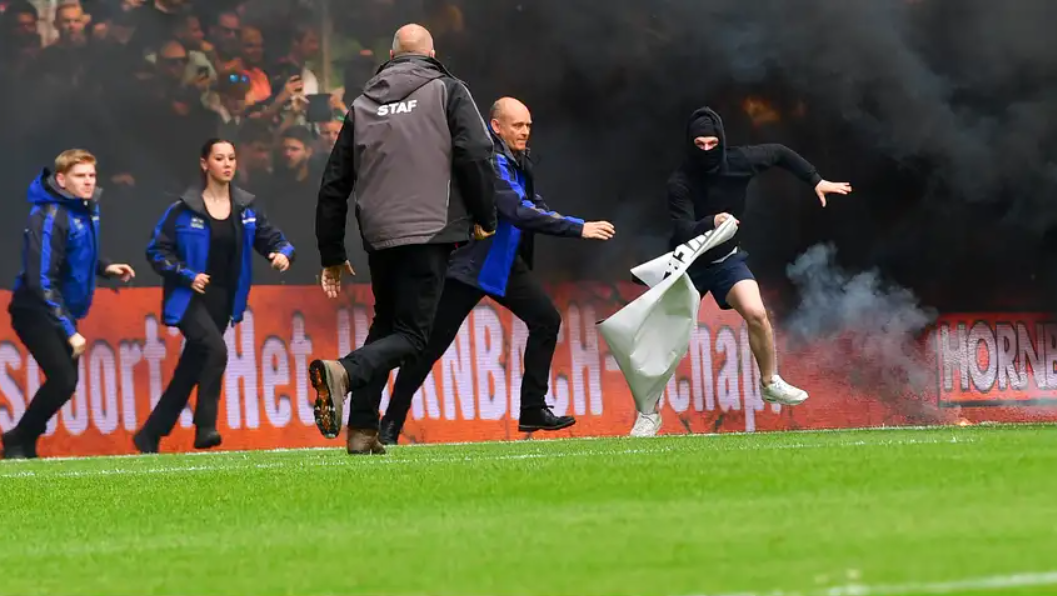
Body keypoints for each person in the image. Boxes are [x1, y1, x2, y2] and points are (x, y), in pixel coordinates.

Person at [378, 97, 616, 445]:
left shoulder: (518, 160)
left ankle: (532, 408)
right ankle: (390, 423)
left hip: (503, 264)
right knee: (429, 348)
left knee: (546, 320)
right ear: (496, 126)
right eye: (518, 125)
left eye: (528, 126)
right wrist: (578, 227)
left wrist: (567, 223)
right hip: (469, 266)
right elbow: (516, 211)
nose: (525, 132)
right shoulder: (491, 160)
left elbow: (534, 205)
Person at [312, 23, 497, 455]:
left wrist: (332, 251)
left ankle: (361, 430)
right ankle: (344, 372)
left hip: (378, 235)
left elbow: (334, 182)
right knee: (414, 337)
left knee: (386, 324)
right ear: (432, 54)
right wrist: (484, 216)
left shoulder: (361, 103)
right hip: (430, 229)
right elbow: (475, 153)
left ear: (392, 57)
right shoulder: (448, 89)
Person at [631, 106, 853, 437]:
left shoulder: (740, 161)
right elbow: (681, 230)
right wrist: (713, 221)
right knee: (663, 342)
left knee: (756, 312)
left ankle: (770, 382)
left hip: (726, 261)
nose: (706, 150)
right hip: (686, 266)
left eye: (711, 143)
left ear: (720, 140)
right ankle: (648, 413)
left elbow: (779, 153)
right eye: (699, 145)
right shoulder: (680, 181)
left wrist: (816, 180)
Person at [134, 139, 295, 453]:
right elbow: (156, 250)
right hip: (190, 298)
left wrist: (281, 254)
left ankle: (150, 434)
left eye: (231, 158)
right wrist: (187, 274)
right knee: (216, 350)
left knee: (191, 369)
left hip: (224, 299)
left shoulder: (245, 209)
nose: (227, 164)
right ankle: (205, 427)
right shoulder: (182, 210)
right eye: (219, 158)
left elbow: (274, 239)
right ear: (204, 163)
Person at [1, 150, 135, 459]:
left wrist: (105, 268)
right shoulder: (50, 216)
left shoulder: (85, 210)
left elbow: (76, 256)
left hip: (58, 309)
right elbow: (41, 279)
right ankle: (17, 439)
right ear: (61, 180)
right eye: (80, 176)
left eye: (91, 176)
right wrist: (68, 330)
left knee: (65, 383)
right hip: (35, 309)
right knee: (63, 378)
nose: (88, 182)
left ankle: (23, 442)